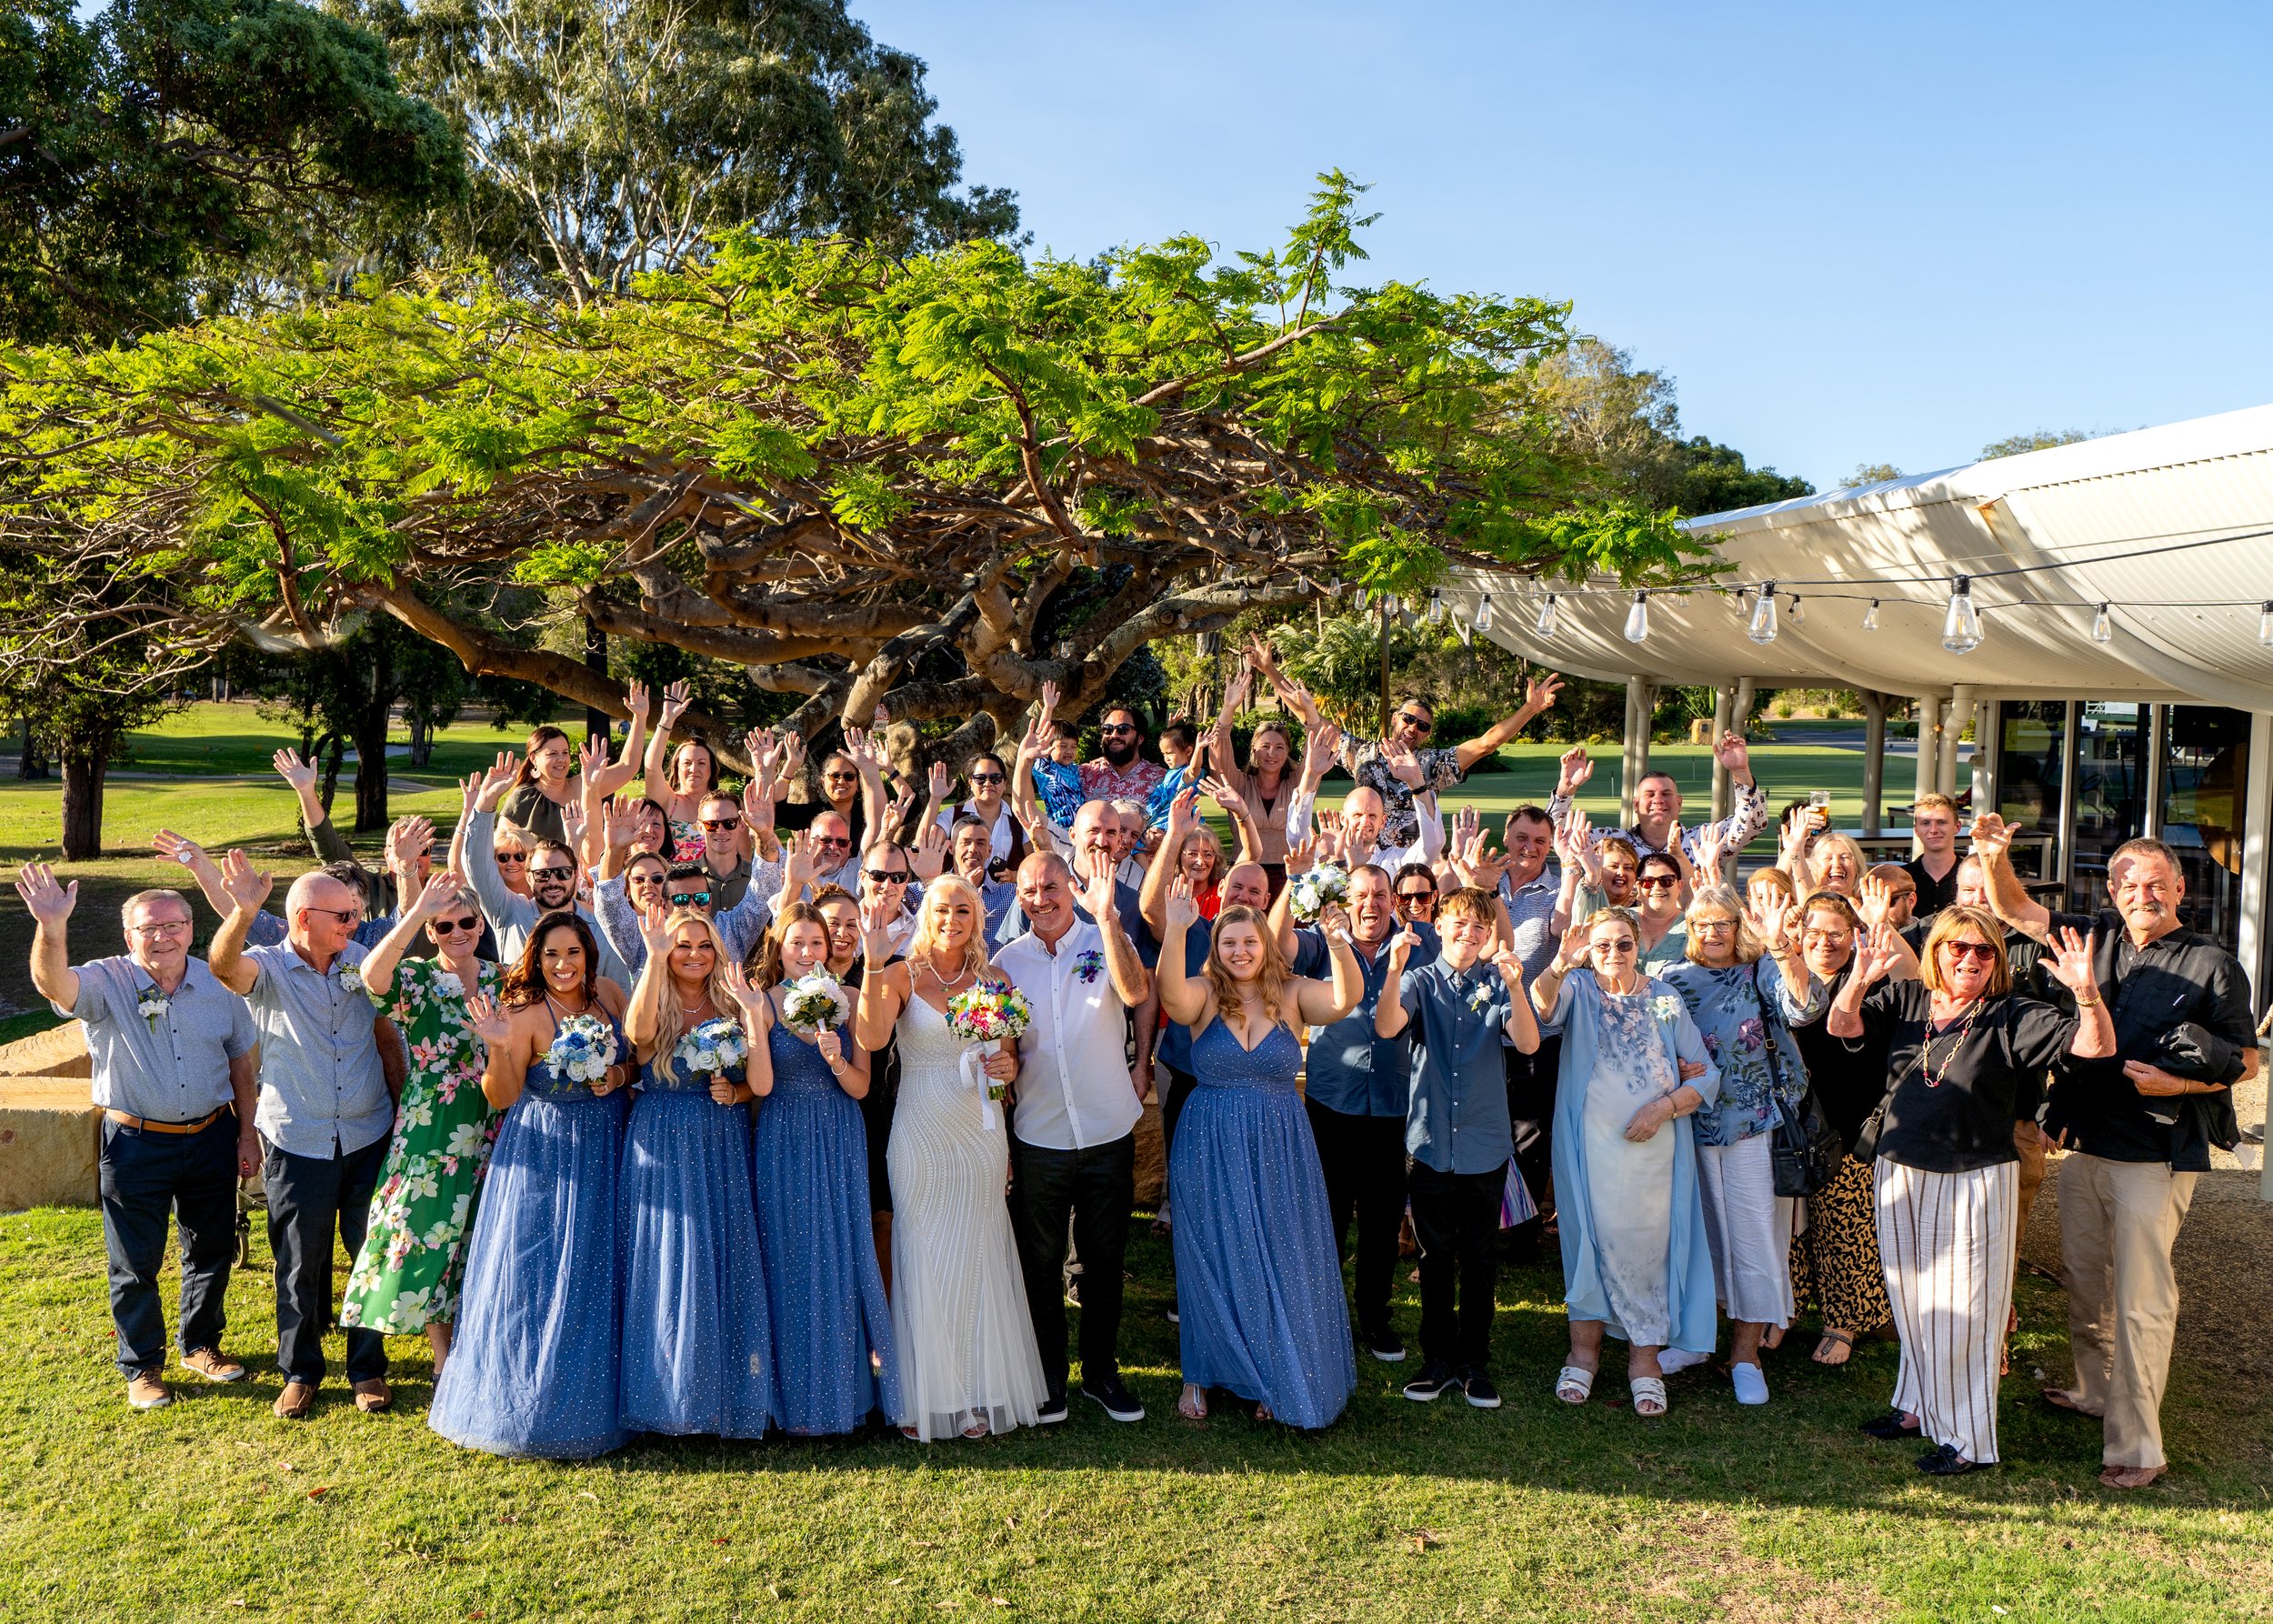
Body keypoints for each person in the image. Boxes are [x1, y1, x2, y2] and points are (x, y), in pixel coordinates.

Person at [1971, 818, 2258, 1488]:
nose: (2142, 894)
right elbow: (2014, 908)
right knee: (2089, 1285)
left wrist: (2179, 1082)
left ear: (2180, 888)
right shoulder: (2091, 936)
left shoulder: (2213, 963)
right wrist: (1994, 857)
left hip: (2153, 1158)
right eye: (2130, 883)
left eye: (2156, 883)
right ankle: (2094, 1391)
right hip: (2085, 1150)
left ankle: (2137, 1447)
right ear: (2114, 889)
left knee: (2140, 1302)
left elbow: (2244, 1062)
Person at [1828, 906, 2108, 1476]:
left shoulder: (2011, 1013)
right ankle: (1914, 1406)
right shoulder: (1906, 1000)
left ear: (1997, 962)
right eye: (1958, 947)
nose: (1971, 959)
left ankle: (1971, 1440)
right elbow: (1841, 1026)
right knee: (1909, 1298)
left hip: (1978, 1178)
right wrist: (1859, 977)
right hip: (1900, 1168)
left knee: (1970, 1311)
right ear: (1936, 951)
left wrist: (2086, 993)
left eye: (1984, 951)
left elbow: (2095, 1048)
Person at [16, 867, 258, 1411]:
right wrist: (51, 927)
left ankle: (200, 1345)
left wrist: (247, 1133)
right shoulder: (106, 981)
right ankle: (144, 1366)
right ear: (130, 937)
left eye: (174, 925)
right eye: (150, 928)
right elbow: (54, 984)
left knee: (212, 1248)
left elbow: (242, 1059)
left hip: (211, 1136)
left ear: (192, 929)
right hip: (135, 1143)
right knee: (135, 1261)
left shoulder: (220, 984)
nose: (163, 936)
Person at [1157, 879, 1361, 1426]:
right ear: (1217, 949)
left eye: (1250, 942)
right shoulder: (1202, 993)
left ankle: (1269, 1371)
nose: (1240, 952)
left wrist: (1339, 942)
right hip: (1209, 1138)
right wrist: (1176, 930)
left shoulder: (1292, 993)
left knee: (1275, 1251)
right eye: (1229, 944)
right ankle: (1199, 1374)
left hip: (1279, 1140)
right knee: (1209, 1250)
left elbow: (1345, 1000)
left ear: (1266, 946)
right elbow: (1172, 999)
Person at [431, 913, 636, 1457]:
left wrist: (615, 1076)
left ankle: (605, 1398)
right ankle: (536, 1405)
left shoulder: (611, 998)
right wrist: (499, 1046)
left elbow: (634, 1063)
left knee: (598, 1265)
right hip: (546, 1148)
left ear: (589, 955)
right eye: (550, 955)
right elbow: (501, 1096)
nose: (562, 965)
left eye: (573, 953)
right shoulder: (521, 1013)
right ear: (535, 958)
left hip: (609, 1145)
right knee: (540, 1266)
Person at [206, 854, 404, 1419]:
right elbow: (223, 966)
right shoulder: (265, 968)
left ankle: (368, 1369)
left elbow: (387, 1038)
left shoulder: (361, 961)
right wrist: (243, 912)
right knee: (297, 1262)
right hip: (298, 1138)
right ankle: (300, 1371)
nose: (353, 923)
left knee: (370, 1255)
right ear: (302, 918)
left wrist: (397, 1113)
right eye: (343, 914)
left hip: (367, 1133)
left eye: (357, 913)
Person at [853, 876, 1047, 1440]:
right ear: (926, 914)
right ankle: (922, 1393)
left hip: (978, 1131)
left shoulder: (994, 980)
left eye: (964, 909)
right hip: (919, 1129)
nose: (953, 918)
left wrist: (1007, 1070)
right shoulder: (900, 976)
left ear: (978, 916)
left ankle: (976, 1389)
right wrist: (870, 961)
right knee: (922, 1249)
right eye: (942, 909)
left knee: (978, 1248)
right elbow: (868, 1035)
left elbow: (1006, 1059)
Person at [1529, 908, 1720, 1418]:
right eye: (1602, 945)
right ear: (1589, 949)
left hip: (1655, 1157)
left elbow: (1706, 1076)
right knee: (1587, 1243)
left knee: (1649, 1250)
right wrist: (1559, 965)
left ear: (1639, 946)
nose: (1613, 953)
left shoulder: (1664, 998)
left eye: (1623, 944)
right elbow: (1544, 1009)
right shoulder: (1580, 989)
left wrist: (1664, 1107)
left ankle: (1645, 1363)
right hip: (1590, 1152)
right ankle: (1583, 1355)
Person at [993, 851, 1154, 1423]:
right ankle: (1049, 1378)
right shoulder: (1006, 964)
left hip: (1107, 1127)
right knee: (1039, 1262)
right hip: (1039, 1135)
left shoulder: (1104, 936)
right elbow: (1005, 1047)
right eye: (1030, 891)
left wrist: (1109, 921)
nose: (1041, 899)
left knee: (1104, 1259)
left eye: (1052, 887)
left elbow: (1136, 994)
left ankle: (1101, 1373)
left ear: (1073, 887)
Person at [1375, 887, 1540, 1408]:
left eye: (1478, 927)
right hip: (1428, 1144)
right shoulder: (1419, 980)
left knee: (1479, 1257)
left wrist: (1516, 986)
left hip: (1484, 1142)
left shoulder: (1497, 982)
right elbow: (1387, 1026)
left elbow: (1529, 1043)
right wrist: (1395, 970)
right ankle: (1438, 1358)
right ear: (1439, 925)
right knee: (1435, 1254)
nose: (1467, 934)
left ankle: (1473, 1361)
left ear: (1488, 934)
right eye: (1458, 923)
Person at [337, 872, 505, 1378]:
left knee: (479, 1235)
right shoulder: (419, 980)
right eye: (443, 924)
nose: (457, 932)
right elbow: (372, 976)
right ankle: (442, 1357)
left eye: (466, 922)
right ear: (430, 932)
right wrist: (414, 912)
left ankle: (480, 1346)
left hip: (497, 1119)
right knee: (429, 1231)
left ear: (480, 926)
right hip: (433, 1125)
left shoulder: (507, 980)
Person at [1658, 887, 1821, 1406]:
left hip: (1752, 1123)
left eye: (1723, 923)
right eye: (1702, 924)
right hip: (1689, 1122)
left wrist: (1782, 948)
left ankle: (1745, 1354)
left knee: (1752, 1237)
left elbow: (1804, 1008)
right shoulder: (1670, 979)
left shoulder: (1763, 971)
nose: (1712, 933)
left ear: (1738, 927)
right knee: (1695, 1238)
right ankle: (1695, 1340)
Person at [616, 907, 775, 1438]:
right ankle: (664, 1394)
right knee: (666, 1254)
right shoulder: (655, 993)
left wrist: (740, 1092)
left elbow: (758, 1079)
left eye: (703, 946)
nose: (694, 955)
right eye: (683, 945)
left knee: (715, 1254)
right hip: (660, 1134)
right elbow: (637, 1037)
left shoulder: (731, 1002)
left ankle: (716, 1392)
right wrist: (654, 959)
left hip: (719, 1136)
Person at [748, 902, 898, 1436]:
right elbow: (761, 1087)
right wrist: (750, 1017)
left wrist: (836, 1060)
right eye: (797, 944)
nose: (808, 953)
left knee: (838, 1255)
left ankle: (842, 1392)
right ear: (779, 946)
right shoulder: (763, 1003)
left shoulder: (853, 1000)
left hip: (838, 1134)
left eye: (817, 943)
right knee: (787, 1256)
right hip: (784, 1134)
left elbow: (861, 1088)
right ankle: (785, 1397)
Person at [1278, 860, 1431, 1361]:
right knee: (1329, 1216)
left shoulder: (1420, 942)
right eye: (1361, 895)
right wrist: (1294, 882)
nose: (1371, 904)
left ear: (1394, 899)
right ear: (1345, 901)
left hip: (1394, 1105)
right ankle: (1322, 1316)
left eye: (1381, 895)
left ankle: (1375, 1317)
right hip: (1332, 1103)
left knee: (1383, 1221)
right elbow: (1280, 947)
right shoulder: (1323, 942)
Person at [1254, 639, 1563, 856]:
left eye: (1423, 726)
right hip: (1366, 859)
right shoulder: (1362, 754)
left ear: (1427, 735)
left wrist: (1530, 709)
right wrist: (1269, 670)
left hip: (1412, 866)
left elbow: (1487, 743)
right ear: (1394, 718)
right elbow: (1307, 713)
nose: (1413, 728)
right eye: (1408, 719)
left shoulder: (1433, 764)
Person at [1781, 890, 1892, 1368]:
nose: (1824, 942)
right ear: (1799, 936)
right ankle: (1784, 1311)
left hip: (1847, 1122)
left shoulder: (1870, 980)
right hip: (1788, 1124)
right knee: (1788, 1226)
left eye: (1836, 933)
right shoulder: (1783, 979)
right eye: (1814, 933)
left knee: (1844, 1225)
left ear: (1854, 936)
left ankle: (1842, 1320)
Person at [461, 756, 634, 987]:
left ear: (575, 874)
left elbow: (618, 992)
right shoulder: (510, 913)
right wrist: (485, 803)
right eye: (543, 874)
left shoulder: (598, 927)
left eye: (562, 873)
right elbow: (477, 867)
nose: (553, 881)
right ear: (529, 876)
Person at [1547, 733, 1768, 869]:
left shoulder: (1703, 841)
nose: (1658, 800)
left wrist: (1740, 772)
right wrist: (1566, 790)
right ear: (1635, 805)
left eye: (1666, 794)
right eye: (1649, 795)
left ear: (1679, 802)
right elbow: (1552, 838)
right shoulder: (1610, 843)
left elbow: (1752, 823)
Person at [1205, 658, 1300, 887]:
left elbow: (1315, 751)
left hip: (1288, 878)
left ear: (1287, 751)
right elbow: (1218, 753)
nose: (1272, 754)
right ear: (1254, 750)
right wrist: (1228, 709)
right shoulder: (1238, 784)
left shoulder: (1296, 784)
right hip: (1244, 874)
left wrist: (1304, 709)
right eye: (1265, 747)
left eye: (1279, 747)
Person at [926, 754, 1026, 867]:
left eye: (996, 778)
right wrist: (935, 799)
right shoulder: (953, 815)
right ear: (971, 783)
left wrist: (1014, 876)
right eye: (980, 778)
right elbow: (926, 844)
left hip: (1007, 884)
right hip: (961, 884)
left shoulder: (1019, 819)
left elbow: (1032, 862)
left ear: (1005, 783)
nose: (988, 784)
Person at [1080, 705, 1166, 807]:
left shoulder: (1161, 780)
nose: (1114, 735)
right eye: (1108, 729)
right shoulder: (1084, 774)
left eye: (1123, 729)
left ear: (1140, 738)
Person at [1904, 792, 1964, 917]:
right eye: (1925, 823)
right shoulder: (1903, 878)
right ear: (1916, 830)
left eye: (1941, 822)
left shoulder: (1973, 878)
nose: (1933, 830)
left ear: (1957, 827)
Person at [1632, 851, 1690, 975]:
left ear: (1679, 886)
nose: (1657, 887)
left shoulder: (1694, 926)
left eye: (1667, 880)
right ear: (1638, 887)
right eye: (1648, 881)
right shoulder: (1620, 918)